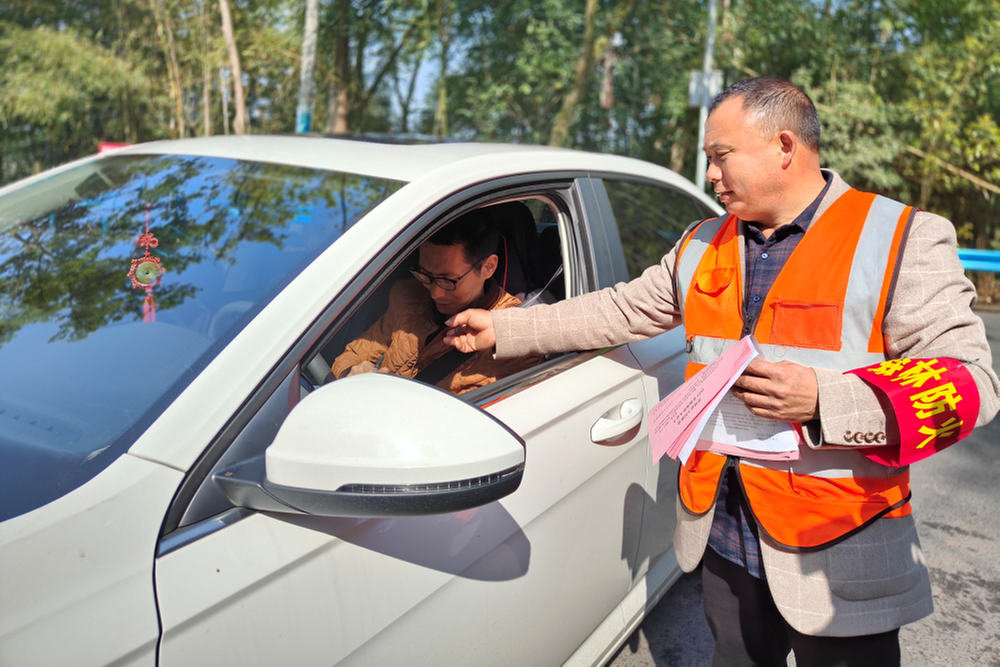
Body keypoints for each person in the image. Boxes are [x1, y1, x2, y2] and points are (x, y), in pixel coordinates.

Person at [444, 78, 1000, 666]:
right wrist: (504, 328)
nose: (710, 174)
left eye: (720, 156)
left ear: (784, 146)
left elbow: (970, 383)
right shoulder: (702, 242)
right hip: (725, 530)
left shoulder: (900, 238)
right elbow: (620, 309)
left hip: (839, 537)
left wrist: (823, 399)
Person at [331, 207, 543, 396]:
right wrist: (352, 374)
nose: (435, 294)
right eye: (425, 275)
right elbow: (356, 353)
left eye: (447, 280)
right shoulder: (407, 296)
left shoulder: (516, 341)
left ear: (488, 267)